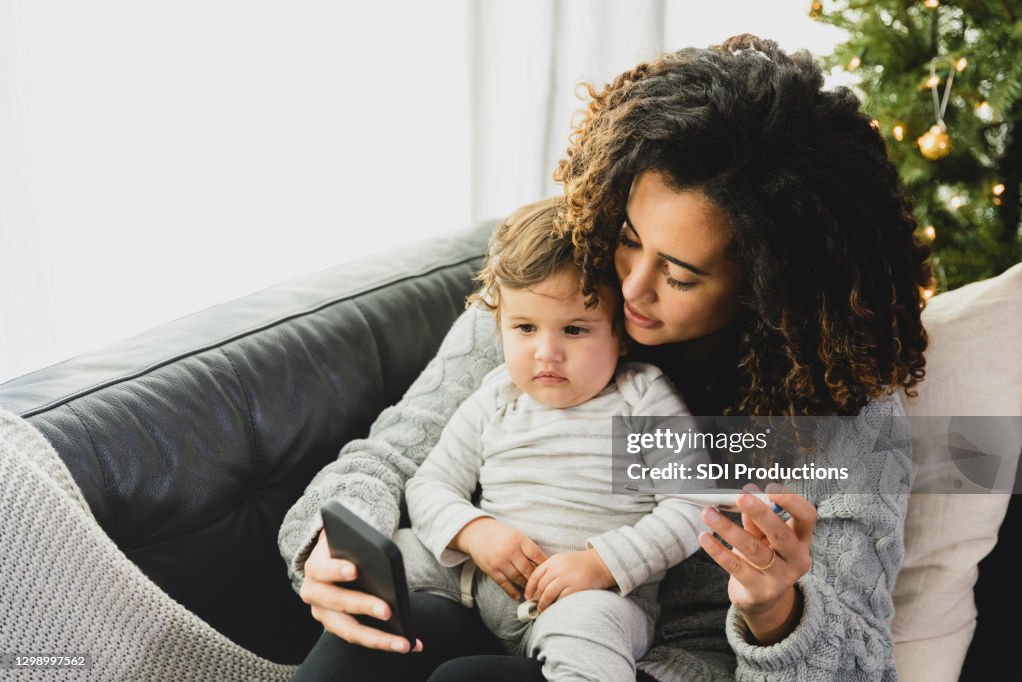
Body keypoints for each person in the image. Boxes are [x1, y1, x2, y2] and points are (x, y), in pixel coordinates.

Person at [283, 34, 930, 681]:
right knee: (368, 640)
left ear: (769, 288)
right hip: (486, 603)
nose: (629, 289)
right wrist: (333, 556)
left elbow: (859, 664)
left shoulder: (845, 409)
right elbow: (392, 457)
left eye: (679, 276)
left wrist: (776, 609)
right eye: (627, 240)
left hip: (654, 661)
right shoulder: (555, 297)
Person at [392, 197, 707, 682]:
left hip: (591, 598)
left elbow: (689, 506)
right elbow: (430, 484)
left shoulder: (640, 398)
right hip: (478, 581)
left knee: (587, 635)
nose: (547, 354)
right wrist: (474, 532)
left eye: (576, 330)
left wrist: (603, 563)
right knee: (390, 556)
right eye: (524, 328)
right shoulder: (497, 395)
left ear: (621, 335)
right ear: (499, 327)